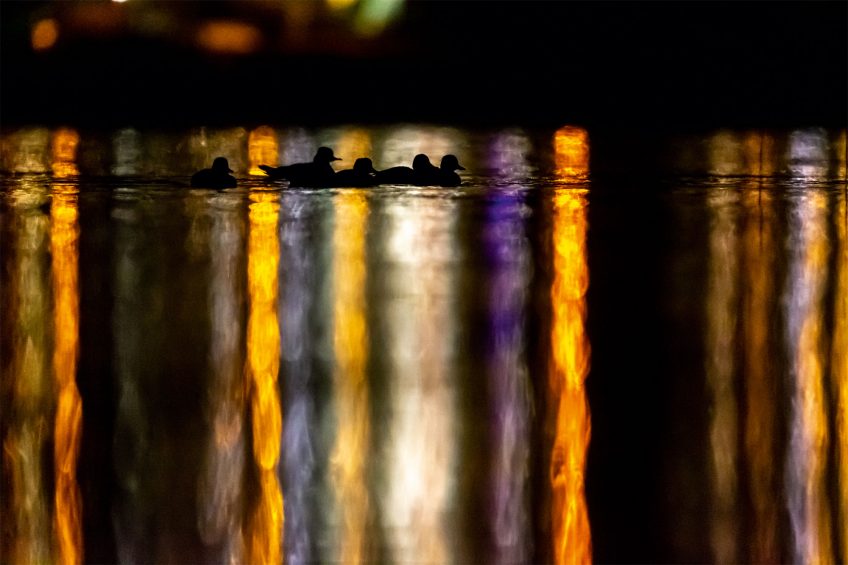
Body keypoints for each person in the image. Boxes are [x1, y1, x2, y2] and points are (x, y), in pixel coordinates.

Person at [259, 146, 341, 187]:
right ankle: (275, 172)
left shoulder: (317, 168)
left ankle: (275, 172)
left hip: (289, 176)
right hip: (294, 179)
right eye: (328, 156)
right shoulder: (322, 171)